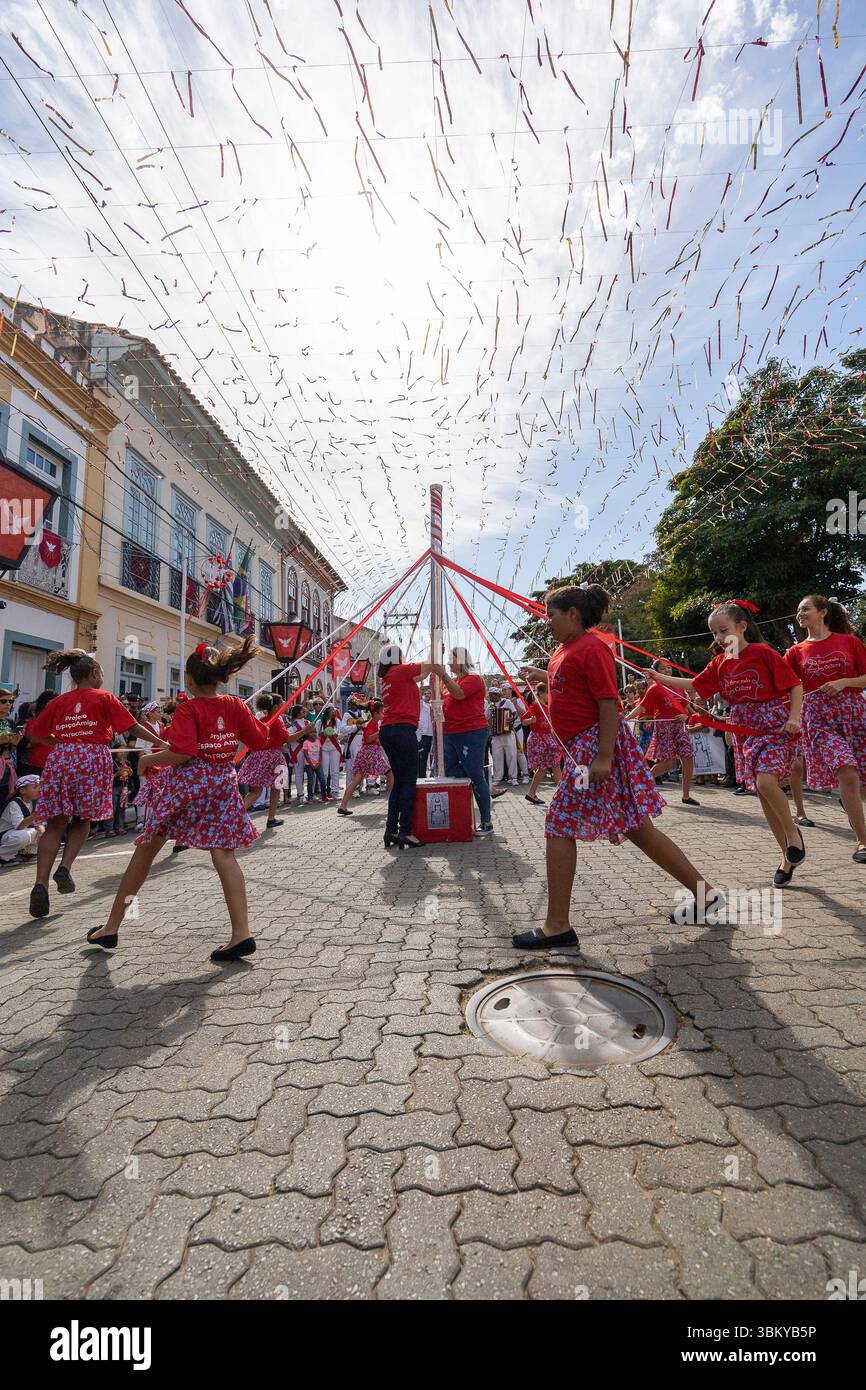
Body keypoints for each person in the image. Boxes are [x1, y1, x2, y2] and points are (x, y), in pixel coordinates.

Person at [513, 584, 720, 951]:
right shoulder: (564, 651)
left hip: (592, 748)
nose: (547, 621)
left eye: (552, 614)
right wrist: (542, 676)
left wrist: (603, 756)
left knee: (558, 822)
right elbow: (571, 687)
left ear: (573, 614)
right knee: (640, 829)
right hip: (583, 748)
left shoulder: (592, 648)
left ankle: (557, 925)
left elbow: (608, 703)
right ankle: (706, 895)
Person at [86, 635, 273, 963]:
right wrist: (255, 721)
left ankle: (112, 926)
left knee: (145, 852)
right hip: (222, 786)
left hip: (185, 789)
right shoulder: (235, 706)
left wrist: (146, 761)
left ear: (189, 679)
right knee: (224, 854)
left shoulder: (188, 709)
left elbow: (183, 753)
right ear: (219, 676)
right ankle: (241, 933)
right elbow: (259, 740)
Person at [651, 600, 804, 887]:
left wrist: (794, 717)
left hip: (773, 725)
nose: (719, 639)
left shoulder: (762, 652)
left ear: (742, 626)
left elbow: (795, 684)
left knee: (766, 784)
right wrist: (659, 678)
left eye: (723, 631)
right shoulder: (720, 663)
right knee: (764, 796)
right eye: (714, 634)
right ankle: (786, 856)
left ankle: (794, 836)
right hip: (744, 728)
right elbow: (696, 685)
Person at [25, 650, 166, 918]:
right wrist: (164, 743)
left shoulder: (59, 701)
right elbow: (133, 728)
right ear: (93, 674)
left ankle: (39, 883)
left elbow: (34, 735)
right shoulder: (105, 697)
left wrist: (59, 742)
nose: (102, 676)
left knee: (56, 823)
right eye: (101, 672)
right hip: (92, 758)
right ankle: (65, 867)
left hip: (61, 759)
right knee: (83, 820)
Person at [784, 594, 866, 861]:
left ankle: (848, 799)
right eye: (798, 610)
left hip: (853, 712)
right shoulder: (795, 653)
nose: (800, 614)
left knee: (858, 780)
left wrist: (844, 682)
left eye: (805, 608)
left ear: (822, 612)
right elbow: (786, 689)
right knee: (847, 770)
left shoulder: (849, 642)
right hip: (818, 719)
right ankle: (863, 842)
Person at [378, 645, 435, 848]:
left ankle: (391, 830)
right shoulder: (400, 671)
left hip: (388, 731)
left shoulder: (388, 678)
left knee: (399, 782)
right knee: (409, 780)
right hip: (402, 730)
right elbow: (428, 666)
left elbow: (423, 673)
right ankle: (405, 832)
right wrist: (434, 647)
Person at [627, 660, 699, 805]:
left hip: (679, 726)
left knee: (688, 757)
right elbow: (641, 708)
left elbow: (686, 707)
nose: (667, 670)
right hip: (664, 727)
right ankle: (642, 781)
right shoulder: (654, 689)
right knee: (667, 764)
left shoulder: (678, 686)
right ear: (657, 672)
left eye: (669, 668)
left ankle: (686, 795)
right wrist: (625, 719)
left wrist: (686, 716)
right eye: (663, 668)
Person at [438, 647, 493, 836]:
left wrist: (443, 675)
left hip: (471, 731)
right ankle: (481, 781)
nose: (448, 662)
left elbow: (459, 694)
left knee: (475, 774)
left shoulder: (474, 679)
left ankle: (486, 821)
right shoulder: (450, 681)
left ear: (460, 660)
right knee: (451, 771)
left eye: (451, 659)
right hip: (451, 732)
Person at [240, 693, 290, 828]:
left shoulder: (261, 719)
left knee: (256, 791)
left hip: (258, 755)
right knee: (275, 787)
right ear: (275, 706)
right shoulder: (275, 720)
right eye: (281, 703)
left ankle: (236, 817)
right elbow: (287, 739)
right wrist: (306, 730)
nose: (283, 704)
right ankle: (270, 818)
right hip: (272, 756)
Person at [337, 699, 392, 814]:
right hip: (370, 754)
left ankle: (343, 806)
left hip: (367, 753)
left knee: (356, 780)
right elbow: (368, 739)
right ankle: (393, 804)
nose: (383, 714)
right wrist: (380, 732)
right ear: (376, 713)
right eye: (382, 712)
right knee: (390, 774)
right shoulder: (372, 723)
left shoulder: (373, 723)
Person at [522, 680, 563, 805]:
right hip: (540, 739)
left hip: (546, 739)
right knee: (548, 766)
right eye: (547, 693)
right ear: (540, 693)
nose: (548, 695)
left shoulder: (544, 705)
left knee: (550, 766)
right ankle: (563, 794)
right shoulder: (536, 705)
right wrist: (531, 720)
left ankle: (532, 793)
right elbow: (523, 720)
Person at [0, 774, 42, 864]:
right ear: (23, 790)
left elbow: (39, 824)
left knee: (44, 832)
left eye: (39, 787)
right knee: (24, 835)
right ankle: (3, 856)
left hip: (19, 832)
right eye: (35, 787)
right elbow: (19, 826)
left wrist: (41, 830)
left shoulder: (35, 802)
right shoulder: (14, 804)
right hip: (5, 835)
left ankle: (25, 852)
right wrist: (35, 815)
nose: (39, 789)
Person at [488, 686, 519, 786]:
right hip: (496, 736)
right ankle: (497, 778)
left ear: (497, 695)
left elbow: (515, 714)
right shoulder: (490, 707)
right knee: (497, 757)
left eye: (491, 695)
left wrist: (511, 718)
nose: (489, 697)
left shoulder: (507, 703)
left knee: (512, 755)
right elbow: (485, 718)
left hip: (508, 734)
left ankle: (513, 777)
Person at [319, 703, 342, 803]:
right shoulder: (320, 722)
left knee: (335, 771)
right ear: (326, 711)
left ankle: (335, 792)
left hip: (334, 747)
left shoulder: (337, 721)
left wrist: (336, 734)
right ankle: (323, 793)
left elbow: (341, 734)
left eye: (334, 709)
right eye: (331, 709)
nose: (333, 711)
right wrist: (322, 733)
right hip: (323, 748)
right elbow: (315, 734)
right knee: (324, 772)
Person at [417, 690, 434, 778]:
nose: (427, 695)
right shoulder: (421, 704)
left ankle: (425, 775)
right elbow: (419, 696)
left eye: (429, 693)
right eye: (425, 694)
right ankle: (421, 776)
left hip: (431, 735)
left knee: (427, 755)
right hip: (422, 734)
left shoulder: (432, 705)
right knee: (421, 757)